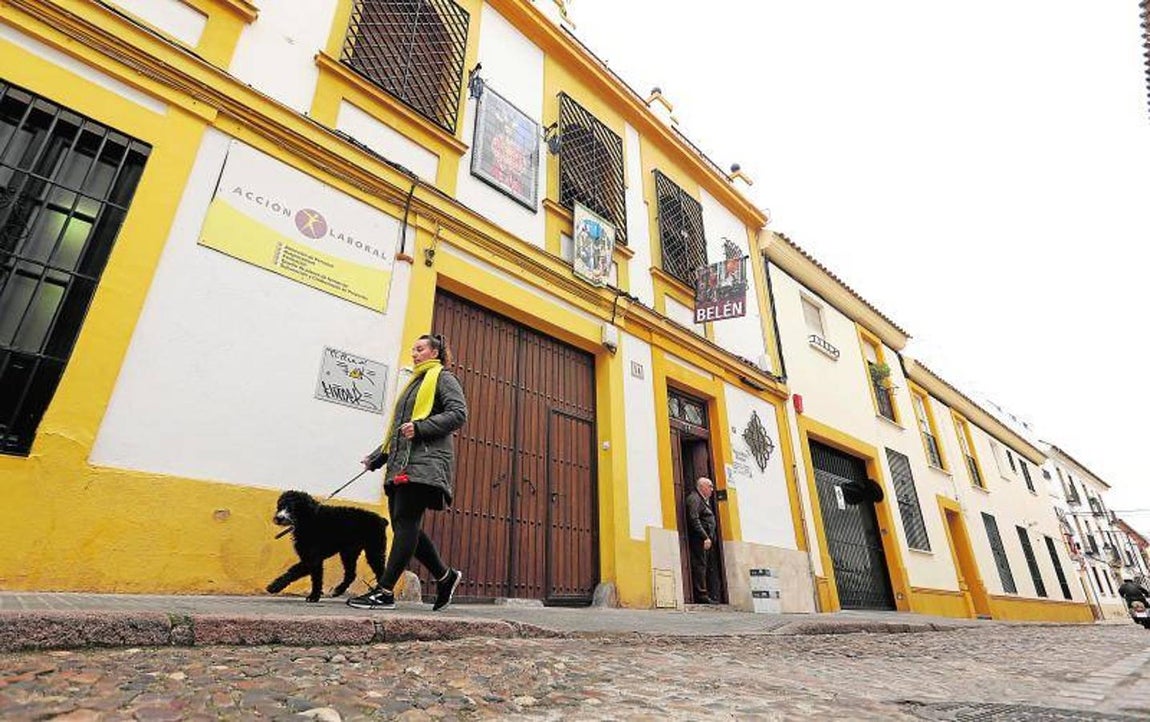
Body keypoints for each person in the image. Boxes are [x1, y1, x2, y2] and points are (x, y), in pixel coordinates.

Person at [348, 333, 468, 612]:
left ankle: (385, 591)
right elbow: (401, 429)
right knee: (406, 527)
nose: (414, 353)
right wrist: (378, 457)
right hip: (402, 463)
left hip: (425, 463)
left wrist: (423, 427)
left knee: (406, 523)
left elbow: (458, 413)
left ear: (435, 353)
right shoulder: (415, 383)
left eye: (420, 349)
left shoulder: (443, 378)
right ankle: (445, 576)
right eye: (413, 349)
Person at [685, 477, 717, 604]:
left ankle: (707, 593)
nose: (712, 489)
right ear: (702, 487)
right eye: (710, 486)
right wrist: (705, 537)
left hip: (705, 540)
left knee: (704, 566)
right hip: (699, 540)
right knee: (700, 566)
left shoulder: (702, 500)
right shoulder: (694, 498)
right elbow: (694, 519)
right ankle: (701, 595)